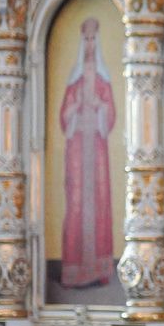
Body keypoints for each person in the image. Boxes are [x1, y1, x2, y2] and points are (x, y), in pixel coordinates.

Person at [58, 17, 116, 288]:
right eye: (87, 39)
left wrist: (101, 106)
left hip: (98, 148)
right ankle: (74, 270)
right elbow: (64, 116)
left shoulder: (103, 78)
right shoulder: (75, 79)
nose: (90, 44)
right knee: (76, 200)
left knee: (99, 200)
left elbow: (111, 114)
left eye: (94, 39)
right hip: (78, 149)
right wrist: (77, 106)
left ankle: (99, 270)